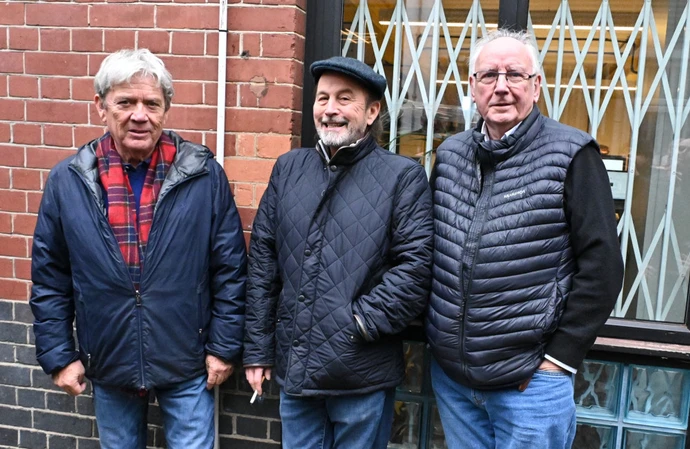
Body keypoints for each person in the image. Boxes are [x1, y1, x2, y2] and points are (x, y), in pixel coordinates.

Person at [30, 49, 247, 449]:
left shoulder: (202, 175)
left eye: (151, 103)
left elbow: (230, 269)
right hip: (110, 359)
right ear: (101, 106)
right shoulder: (68, 181)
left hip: (188, 360)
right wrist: (59, 356)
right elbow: (50, 278)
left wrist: (223, 347)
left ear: (166, 108)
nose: (139, 115)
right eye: (125, 102)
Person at [426, 29, 624, 449]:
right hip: (454, 380)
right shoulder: (450, 155)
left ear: (536, 86)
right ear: (472, 88)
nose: (501, 87)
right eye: (488, 76)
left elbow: (602, 266)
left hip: (530, 383)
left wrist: (559, 359)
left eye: (514, 75)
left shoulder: (572, 154)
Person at [243, 56, 434, 449]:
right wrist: (257, 351)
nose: (330, 109)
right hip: (296, 376)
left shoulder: (401, 177)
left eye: (345, 99)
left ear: (372, 111)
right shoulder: (289, 169)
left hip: (360, 373)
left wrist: (358, 324)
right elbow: (263, 263)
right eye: (323, 98)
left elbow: (415, 269)